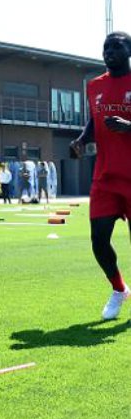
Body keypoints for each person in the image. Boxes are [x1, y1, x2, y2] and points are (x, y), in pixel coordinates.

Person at [71, 31, 131, 320]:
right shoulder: (94, 85)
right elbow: (93, 121)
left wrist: (128, 126)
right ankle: (119, 289)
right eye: (106, 47)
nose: (109, 51)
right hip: (105, 177)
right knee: (98, 239)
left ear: (129, 51)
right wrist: (82, 140)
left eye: (116, 46)